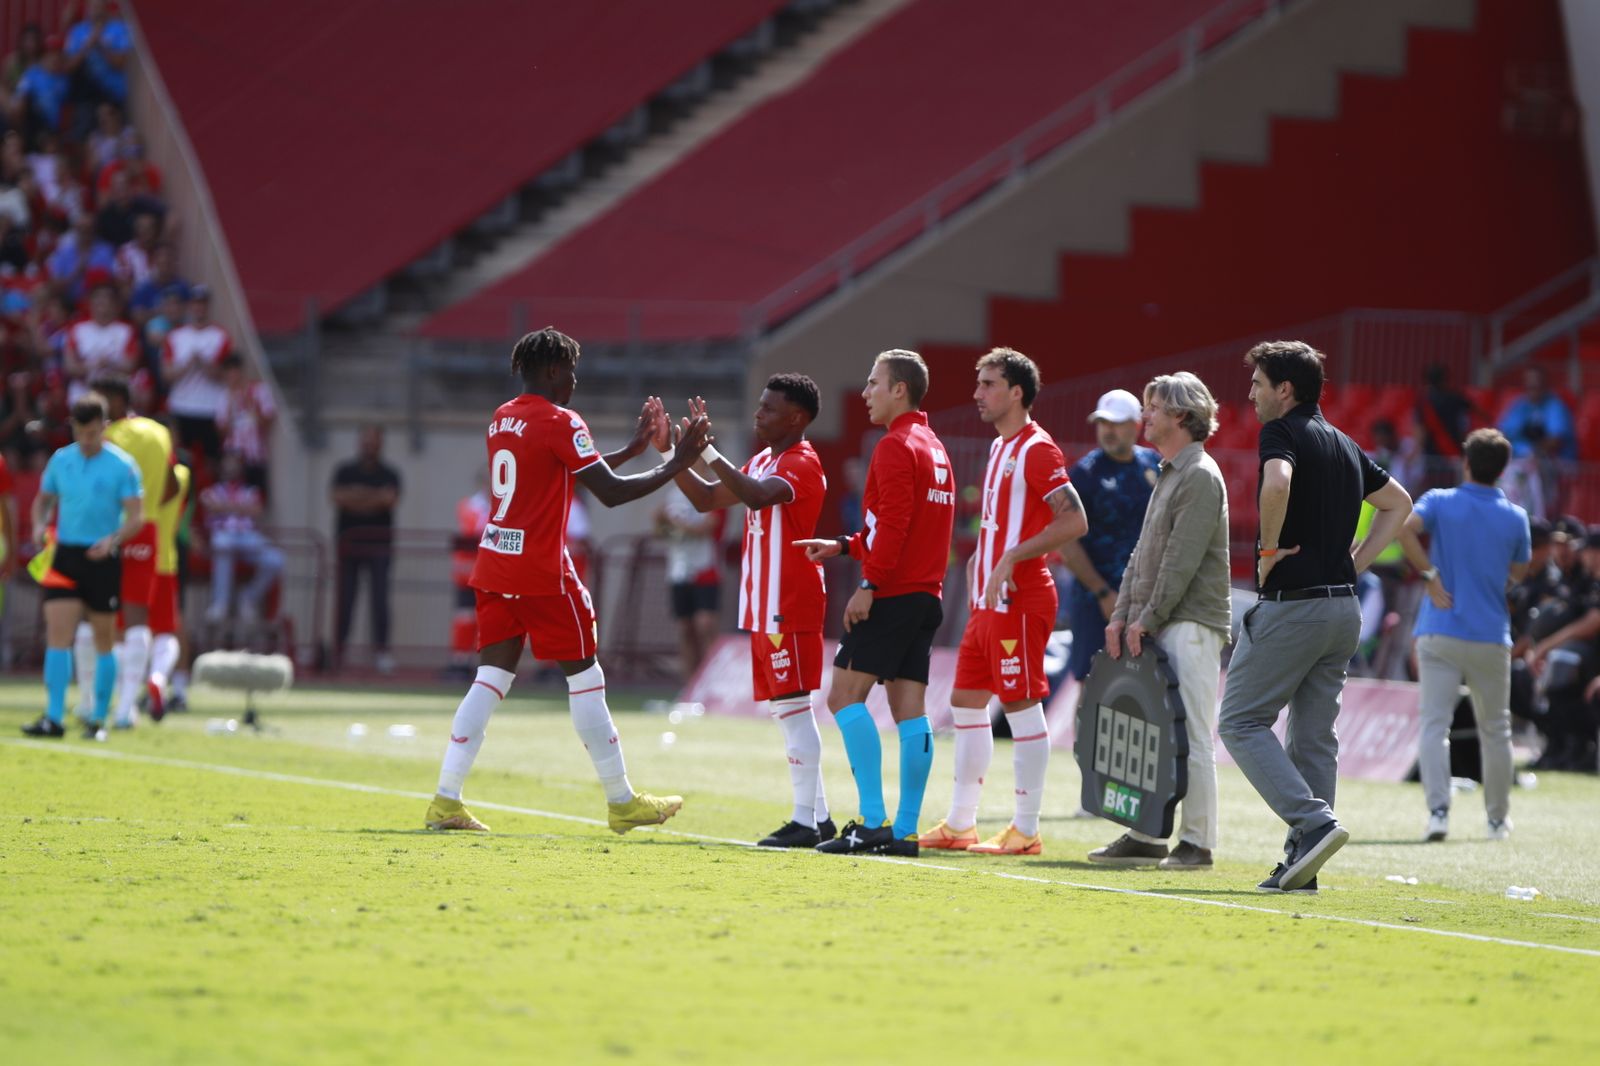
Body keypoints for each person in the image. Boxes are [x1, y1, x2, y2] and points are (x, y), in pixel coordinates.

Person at [423, 326, 710, 834]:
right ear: (554, 369)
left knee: (488, 681)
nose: (575, 380)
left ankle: (446, 800)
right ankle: (622, 801)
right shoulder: (561, 420)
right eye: (572, 371)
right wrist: (678, 462)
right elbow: (611, 493)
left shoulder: (501, 417)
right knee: (586, 679)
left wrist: (632, 447)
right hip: (542, 574)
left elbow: (567, 470)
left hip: (495, 567)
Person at [1218, 341, 1411, 894]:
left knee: (1240, 722)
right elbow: (1400, 503)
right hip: (1342, 610)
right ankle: (1303, 863)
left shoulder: (1281, 432)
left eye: (1258, 383)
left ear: (1285, 389)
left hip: (1294, 607)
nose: (1251, 393)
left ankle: (1314, 824)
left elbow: (1276, 483)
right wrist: (1359, 561)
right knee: (1314, 740)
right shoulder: (1347, 443)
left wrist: (1269, 550)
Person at [920, 349, 1085, 856]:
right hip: (988, 599)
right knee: (966, 702)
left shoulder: (1037, 449)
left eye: (988, 384)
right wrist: (981, 562)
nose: (977, 394)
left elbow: (1074, 520)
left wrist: (1013, 555)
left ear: (1017, 392)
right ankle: (960, 823)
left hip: (1022, 596)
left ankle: (1026, 829)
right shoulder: (998, 448)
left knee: (1019, 702)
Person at [663, 375, 837, 848]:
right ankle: (817, 818)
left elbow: (759, 496)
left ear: (797, 418)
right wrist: (672, 454)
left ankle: (805, 820)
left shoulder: (801, 462)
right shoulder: (763, 459)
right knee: (788, 710)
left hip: (790, 603)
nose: (758, 415)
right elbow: (704, 499)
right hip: (764, 606)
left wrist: (708, 453)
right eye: (759, 406)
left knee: (795, 709)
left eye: (768, 408)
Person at [795, 349, 956, 857]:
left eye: (873, 383)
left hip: (893, 592)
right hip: (926, 595)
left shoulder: (893, 446)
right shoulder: (935, 449)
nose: (865, 392)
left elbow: (895, 526)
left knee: (843, 697)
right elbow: (894, 526)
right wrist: (843, 546)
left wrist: (869, 584)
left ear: (899, 389)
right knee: (910, 711)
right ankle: (905, 831)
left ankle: (871, 822)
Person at [1089, 372, 1233, 869]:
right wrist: (1122, 615)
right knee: (1153, 732)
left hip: (1190, 623)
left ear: (1180, 416)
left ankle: (1198, 842)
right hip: (1162, 619)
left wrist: (1143, 617)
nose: (1143, 417)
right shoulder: (1171, 470)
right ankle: (1148, 835)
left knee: (1191, 734)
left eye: (1152, 409)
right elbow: (1142, 556)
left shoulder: (1198, 475)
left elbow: (1179, 561)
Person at [1396, 428, 1530, 842]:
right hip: (1491, 634)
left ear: (1466, 462)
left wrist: (1431, 575)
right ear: (1503, 470)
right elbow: (1520, 572)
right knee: (1497, 729)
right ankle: (1496, 821)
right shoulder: (1515, 516)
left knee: (1435, 726)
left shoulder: (1440, 499)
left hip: (1440, 628)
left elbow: (1404, 529)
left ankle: (1438, 813)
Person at [21, 392, 142, 740]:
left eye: (92, 433)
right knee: (58, 636)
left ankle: (97, 720)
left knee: (104, 639)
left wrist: (113, 541)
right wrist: (39, 525)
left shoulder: (122, 465)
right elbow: (43, 501)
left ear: (103, 427)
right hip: (66, 557)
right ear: (73, 427)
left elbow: (136, 517)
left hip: (102, 559)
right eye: (80, 433)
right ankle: (54, 717)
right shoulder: (61, 460)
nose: (86, 441)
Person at [88, 375, 176, 730]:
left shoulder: (109, 436)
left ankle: (94, 703)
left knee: (98, 617)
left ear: (115, 401)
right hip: (149, 528)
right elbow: (171, 486)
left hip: (111, 529)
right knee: (139, 620)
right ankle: (126, 708)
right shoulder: (159, 432)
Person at [1058, 389, 1160, 680]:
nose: (1108, 430)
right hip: (1095, 601)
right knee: (1091, 683)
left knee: (1144, 683)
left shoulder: (1154, 465)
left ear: (1136, 425)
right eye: (1103, 423)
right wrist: (1103, 593)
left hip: (1145, 600)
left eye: (1116, 423)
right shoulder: (1084, 474)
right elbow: (1067, 542)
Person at [330, 425, 401, 673]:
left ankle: (381, 652)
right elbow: (339, 498)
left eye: (374, 440)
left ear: (381, 443)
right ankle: (339, 652)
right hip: (348, 546)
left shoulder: (390, 473)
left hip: (379, 546)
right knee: (345, 600)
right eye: (366, 440)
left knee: (380, 600)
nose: (369, 445)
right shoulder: (345, 471)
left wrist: (358, 497)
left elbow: (389, 500)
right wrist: (373, 499)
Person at [201, 452, 284, 626]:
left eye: (235, 463)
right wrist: (241, 508)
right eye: (228, 462)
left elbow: (257, 511)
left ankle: (248, 598)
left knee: (276, 560)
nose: (232, 467)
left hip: (246, 538)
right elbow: (210, 506)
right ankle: (220, 604)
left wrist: (225, 507)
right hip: (223, 537)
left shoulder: (251, 491)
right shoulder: (212, 490)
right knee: (223, 545)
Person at [654, 486, 723, 681]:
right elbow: (660, 532)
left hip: (705, 567)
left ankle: (712, 679)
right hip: (678, 569)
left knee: (705, 625)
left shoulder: (715, 490)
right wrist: (660, 520)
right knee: (685, 628)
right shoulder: (674, 494)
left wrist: (675, 522)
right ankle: (690, 683)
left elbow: (707, 528)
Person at [161, 286, 231, 473]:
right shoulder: (176, 336)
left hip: (210, 406)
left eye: (203, 304)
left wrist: (204, 364)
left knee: (212, 460)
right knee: (179, 457)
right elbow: (167, 374)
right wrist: (188, 365)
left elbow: (225, 374)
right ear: (189, 306)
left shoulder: (220, 335)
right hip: (181, 405)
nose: (199, 308)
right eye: (195, 304)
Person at [145, 460, 191, 718]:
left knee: (130, 626)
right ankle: (166, 681)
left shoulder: (132, 470)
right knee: (171, 625)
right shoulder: (183, 475)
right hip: (168, 558)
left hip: (138, 554)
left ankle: (125, 696)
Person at [446, 470, 491, 681]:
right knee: (464, 617)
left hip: (492, 575)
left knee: (489, 619)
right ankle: (460, 661)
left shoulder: (505, 506)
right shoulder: (470, 506)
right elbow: (474, 533)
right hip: (468, 574)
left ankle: (486, 664)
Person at [63, 282, 137, 402]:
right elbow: (69, 366)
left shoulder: (126, 330)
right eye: (98, 300)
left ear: (115, 305)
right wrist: (92, 366)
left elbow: (131, 365)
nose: (102, 305)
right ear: (91, 304)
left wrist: (109, 363)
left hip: (115, 392)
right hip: (84, 391)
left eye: (107, 300)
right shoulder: (78, 329)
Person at [1499, 364, 1576, 462]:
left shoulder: (1555, 406)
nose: (1533, 387)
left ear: (1545, 384)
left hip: (1557, 466)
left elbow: (1555, 441)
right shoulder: (1520, 404)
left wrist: (1533, 452)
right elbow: (1504, 433)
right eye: (1530, 385)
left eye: (1537, 384)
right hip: (1523, 463)